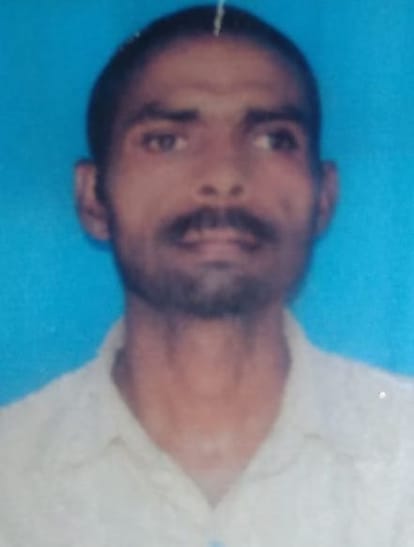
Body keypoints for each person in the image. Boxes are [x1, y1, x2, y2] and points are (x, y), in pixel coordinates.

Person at [1, 4, 413, 546]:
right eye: (166, 140)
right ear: (93, 196)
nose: (223, 176)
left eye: (273, 139)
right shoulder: (11, 479)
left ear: (324, 197)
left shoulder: (402, 456)